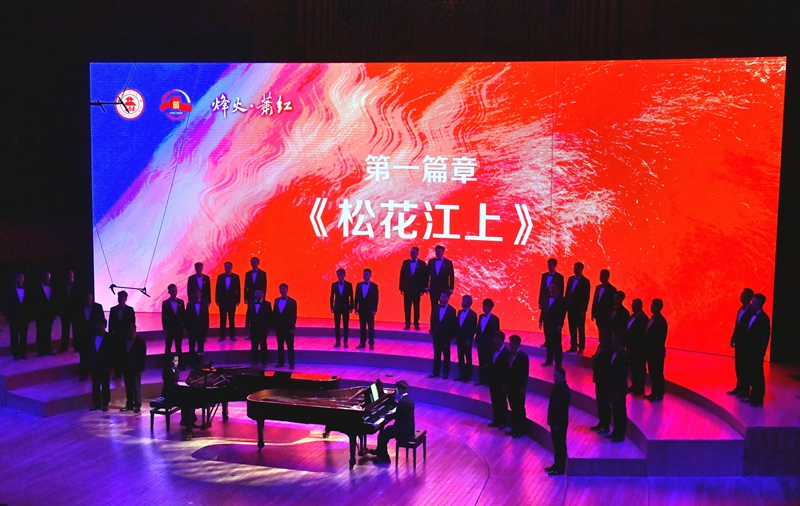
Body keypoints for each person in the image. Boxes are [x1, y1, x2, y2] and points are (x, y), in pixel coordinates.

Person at [372, 380, 415, 464]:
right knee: (386, 430)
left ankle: (384, 457)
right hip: (408, 427)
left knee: (383, 435)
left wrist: (384, 416)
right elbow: (400, 413)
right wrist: (390, 413)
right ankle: (380, 451)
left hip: (404, 430)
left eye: (396, 389)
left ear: (400, 390)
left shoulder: (402, 402)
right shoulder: (409, 400)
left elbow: (397, 415)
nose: (396, 391)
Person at [742, 293, 771, 407]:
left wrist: (761, 353)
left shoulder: (764, 318)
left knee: (757, 375)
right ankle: (752, 395)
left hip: (756, 352)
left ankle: (758, 398)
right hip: (750, 351)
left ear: (758, 303)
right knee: (751, 373)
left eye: (753, 301)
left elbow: (764, 337)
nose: (751, 303)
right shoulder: (752, 315)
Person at [727, 288, 755, 396]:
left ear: (748, 297)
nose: (741, 297)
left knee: (745, 366)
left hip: (746, 344)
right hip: (739, 343)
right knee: (738, 365)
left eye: (743, 295)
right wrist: (733, 338)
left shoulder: (751, 311)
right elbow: (737, 326)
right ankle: (739, 386)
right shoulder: (740, 310)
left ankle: (745, 389)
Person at [161, 355, 198, 432]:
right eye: (175, 361)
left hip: (174, 390)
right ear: (170, 361)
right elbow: (168, 385)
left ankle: (187, 421)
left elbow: (176, 382)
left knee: (189, 399)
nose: (176, 363)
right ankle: (188, 422)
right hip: (168, 393)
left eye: (177, 361)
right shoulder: (167, 370)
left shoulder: (175, 369)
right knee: (186, 401)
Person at [73, 292, 105, 380]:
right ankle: (84, 373)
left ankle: (95, 373)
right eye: (86, 299)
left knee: (94, 355)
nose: (88, 300)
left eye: (89, 298)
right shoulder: (79, 308)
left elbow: (102, 320)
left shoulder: (98, 307)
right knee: (83, 355)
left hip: (94, 335)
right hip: (83, 336)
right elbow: (76, 323)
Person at [546, 368, 571, 476]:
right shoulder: (558, 388)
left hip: (559, 423)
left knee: (560, 444)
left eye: (556, 376)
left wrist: (556, 423)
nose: (554, 378)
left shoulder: (563, 390)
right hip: (555, 421)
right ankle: (557, 464)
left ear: (562, 377)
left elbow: (561, 410)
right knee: (557, 444)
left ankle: (560, 467)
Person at [607, 331, 630, 442]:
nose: (612, 339)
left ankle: (620, 434)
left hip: (619, 388)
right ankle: (616, 431)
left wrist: (617, 388)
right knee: (616, 410)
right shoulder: (614, 352)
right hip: (614, 387)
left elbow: (622, 374)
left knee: (620, 411)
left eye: (614, 337)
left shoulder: (623, 355)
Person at [644, 298, 668, 402]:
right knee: (653, 373)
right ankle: (654, 392)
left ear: (657, 307)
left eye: (653, 305)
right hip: (651, 352)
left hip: (656, 353)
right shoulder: (653, 319)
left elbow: (659, 339)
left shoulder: (661, 322)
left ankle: (658, 394)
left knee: (657, 374)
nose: (651, 307)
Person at [399, 246, 429, 330]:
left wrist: (423, 288)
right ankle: (407, 323)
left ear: (417, 253)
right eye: (411, 252)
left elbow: (424, 277)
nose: (411, 254)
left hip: (417, 290)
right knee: (407, 307)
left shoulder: (422, 264)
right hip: (407, 289)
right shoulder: (405, 262)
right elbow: (402, 276)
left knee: (416, 307)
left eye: (413, 252)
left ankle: (416, 323)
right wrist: (401, 287)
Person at [590, 327, 613, 435]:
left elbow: (606, 365)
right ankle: (601, 422)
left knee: (605, 403)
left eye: (601, 335)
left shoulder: (608, 349)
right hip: (599, 379)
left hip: (605, 380)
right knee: (600, 402)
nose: (599, 337)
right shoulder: (600, 346)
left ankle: (606, 425)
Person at [429, 292, 457, 379]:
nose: (442, 298)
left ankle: (445, 373)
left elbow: (453, 324)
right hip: (437, 334)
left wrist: (452, 336)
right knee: (436, 354)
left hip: (446, 336)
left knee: (446, 355)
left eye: (444, 296)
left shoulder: (452, 310)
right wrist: (432, 331)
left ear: (448, 299)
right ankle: (435, 372)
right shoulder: (435, 307)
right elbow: (432, 320)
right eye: (441, 296)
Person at [87, 318, 113, 412]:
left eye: (101, 325)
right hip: (94, 366)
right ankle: (96, 403)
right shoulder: (91, 337)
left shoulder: (110, 337)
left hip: (105, 366)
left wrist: (110, 366)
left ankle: (105, 403)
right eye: (98, 325)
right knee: (95, 385)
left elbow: (112, 353)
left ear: (105, 326)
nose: (99, 327)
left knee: (105, 385)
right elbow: (89, 351)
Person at [625, 298, 649, 395]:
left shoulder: (643, 318)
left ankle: (640, 387)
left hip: (638, 348)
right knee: (633, 367)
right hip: (631, 347)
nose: (632, 306)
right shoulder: (632, 316)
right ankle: (635, 385)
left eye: (633, 304)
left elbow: (642, 335)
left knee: (639, 367)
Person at [108, 291, 136, 379]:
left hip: (126, 336)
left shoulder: (130, 310)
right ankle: (117, 373)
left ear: (125, 299)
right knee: (117, 355)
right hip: (116, 336)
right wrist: (110, 335)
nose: (120, 299)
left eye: (122, 298)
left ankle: (126, 372)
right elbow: (110, 324)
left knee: (126, 355)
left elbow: (132, 323)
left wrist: (131, 334)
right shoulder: (113, 309)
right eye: (119, 297)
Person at [506, 334, 530, 438]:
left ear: (518, 344)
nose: (511, 345)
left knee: (519, 408)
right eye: (510, 343)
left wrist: (522, 387)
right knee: (513, 408)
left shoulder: (523, 357)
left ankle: (521, 429)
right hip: (510, 386)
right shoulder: (509, 354)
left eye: (513, 343)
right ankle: (515, 428)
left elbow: (525, 374)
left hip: (518, 387)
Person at [564, 262, 590, 354]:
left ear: (581, 269)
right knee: (572, 327)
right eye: (574, 268)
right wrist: (565, 305)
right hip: (571, 308)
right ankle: (573, 346)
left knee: (580, 328)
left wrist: (584, 310)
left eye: (577, 268)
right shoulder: (570, 279)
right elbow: (567, 293)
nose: (575, 270)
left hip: (579, 309)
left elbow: (586, 297)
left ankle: (581, 347)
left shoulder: (586, 281)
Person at [120, 324, 146, 413]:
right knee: (128, 387)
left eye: (131, 329)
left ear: (135, 329)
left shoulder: (140, 342)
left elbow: (142, 357)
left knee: (136, 387)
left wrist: (141, 369)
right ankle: (129, 404)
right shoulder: (124, 341)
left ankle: (137, 405)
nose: (129, 331)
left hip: (136, 368)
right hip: (126, 368)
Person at [540, 283, 567, 367]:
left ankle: (558, 362)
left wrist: (560, 325)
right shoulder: (546, 298)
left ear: (557, 289)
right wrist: (540, 321)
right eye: (550, 287)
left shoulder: (561, 300)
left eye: (553, 287)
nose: (551, 289)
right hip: (547, 323)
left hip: (555, 324)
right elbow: (543, 310)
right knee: (548, 342)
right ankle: (549, 360)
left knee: (557, 343)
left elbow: (562, 314)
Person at [474, 299, 500, 386]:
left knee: (489, 362)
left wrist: (495, 344)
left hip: (489, 344)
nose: (483, 308)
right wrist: (476, 341)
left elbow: (496, 333)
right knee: (481, 362)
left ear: (490, 308)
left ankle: (488, 381)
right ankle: (482, 380)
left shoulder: (495, 319)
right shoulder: (481, 316)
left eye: (485, 306)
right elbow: (478, 329)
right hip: (481, 344)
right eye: (483, 306)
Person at [5, 273, 30, 360]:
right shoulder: (9, 291)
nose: (20, 279)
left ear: (23, 279)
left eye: (21, 278)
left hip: (24, 317)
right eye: (18, 278)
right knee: (14, 336)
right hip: (14, 318)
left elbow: (30, 304)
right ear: (15, 279)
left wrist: (29, 316)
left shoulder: (27, 289)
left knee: (23, 336)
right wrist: (8, 318)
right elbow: (6, 305)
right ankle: (15, 354)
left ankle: (23, 353)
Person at [488, 331, 510, 430]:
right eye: (494, 339)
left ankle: (503, 421)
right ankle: (496, 419)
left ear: (502, 340)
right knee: (494, 401)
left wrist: (505, 383)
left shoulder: (506, 353)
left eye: (496, 339)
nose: (494, 341)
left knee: (502, 402)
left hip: (501, 382)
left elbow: (507, 370)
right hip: (493, 381)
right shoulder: (492, 350)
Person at [273, 283, 298, 368]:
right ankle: (281, 362)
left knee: (290, 346)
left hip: (288, 328)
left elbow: (294, 315)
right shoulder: (276, 300)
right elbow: (275, 314)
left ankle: (291, 363)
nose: (282, 290)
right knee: (280, 346)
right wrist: (274, 326)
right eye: (280, 289)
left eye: (283, 289)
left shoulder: (292, 301)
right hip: (279, 327)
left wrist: (292, 327)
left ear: (287, 290)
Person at [426, 245, 455, 318]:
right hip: (433, 288)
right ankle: (433, 323)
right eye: (437, 251)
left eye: (439, 251)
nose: (438, 253)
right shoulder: (431, 261)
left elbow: (451, 276)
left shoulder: (448, 262)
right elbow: (427, 275)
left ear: (443, 252)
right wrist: (426, 286)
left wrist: (451, 288)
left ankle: (443, 323)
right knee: (433, 307)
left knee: (444, 307)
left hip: (444, 289)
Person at [215, 261, 241, 341]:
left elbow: (238, 289)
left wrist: (238, 299)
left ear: (231, 267)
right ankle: (222, 336)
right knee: (222, 319)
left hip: (232, 301)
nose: (227, 268)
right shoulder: (220, 277)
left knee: (232, 319)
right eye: (225, 267)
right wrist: (217, 299)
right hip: (222, 301)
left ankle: (232, 336)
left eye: (228, 267)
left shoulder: (236, 277)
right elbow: (217, 289)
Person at [454, 295, 478, 382]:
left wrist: (469, 340)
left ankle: (468, 376)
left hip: (467, 340)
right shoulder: (459, 312)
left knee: (468, 357)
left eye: (463, 301)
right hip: (460, 339)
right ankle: (461, 374)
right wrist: (456, 337)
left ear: (468, 303)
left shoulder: (473, 314)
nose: (462, 302)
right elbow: (457, 326)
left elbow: (472, 328)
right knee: (460, 357)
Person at [56, 269, 80, 353]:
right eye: (68, 274)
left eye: (70, 274)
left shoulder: (78, 285)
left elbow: (80, 299)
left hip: (75, 311)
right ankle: (64, 347)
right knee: (65, 330)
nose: (69, 276)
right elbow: (59, 299)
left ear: (73, 275)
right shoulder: (62, 285)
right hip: (65, 311)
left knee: (76, 330)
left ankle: (76, 346)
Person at [161, 284, 186, 364]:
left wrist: (184, 327)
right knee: (168, 346)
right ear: (169, 292)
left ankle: (180, 364)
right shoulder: (165, 303)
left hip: (179, 328)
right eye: (173, 291)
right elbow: (163, 317)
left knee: (178, 347)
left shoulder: (181, 302)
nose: (175, 292)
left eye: (175, 291)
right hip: (170, 328)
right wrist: (165, 328)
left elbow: (183, 315)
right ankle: (167, 364)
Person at [354, 269, 379, 350]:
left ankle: (371, 343)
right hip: (362, 309)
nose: (365, 276)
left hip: (370, 310)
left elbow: (376, 299)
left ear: (370, 276)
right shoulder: (359, 285)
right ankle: (362, 342)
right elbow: (356, 297)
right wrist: (356, 307)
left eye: (367, 275)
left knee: (371, 328)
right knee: (362, 327)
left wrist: (374, 310)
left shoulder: (374, 286)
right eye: (364, 274)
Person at [33, 270, 56, 356]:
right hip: (40, 315)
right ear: (42, 277)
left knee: (48, 332)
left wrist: (53, 313)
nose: (47, 278)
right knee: (40, 332)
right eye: (46, 276)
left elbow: (54, 301)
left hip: (49, 315)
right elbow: (33, 302)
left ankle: (48, 349)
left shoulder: (52, 287)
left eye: (48, 276)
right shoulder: (36, 288)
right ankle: (41, 350)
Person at [247, 289, 272, 366]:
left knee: (263, 345)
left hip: (263, 328)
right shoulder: (251, 303)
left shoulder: (267, 304)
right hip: (254, 328)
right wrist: (247, 326)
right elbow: (248, 315)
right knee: (254, 345)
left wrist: (268, 327)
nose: (257, 295)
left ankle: (264, 361)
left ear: (262, 294)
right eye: (256, 293)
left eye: (259, 293)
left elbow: (270, 316)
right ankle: (254, 361)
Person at [185, 288, 209, 367]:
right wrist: (187, 328)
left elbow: (206, 317)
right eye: (195, 293)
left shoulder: (204, 304)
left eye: (198, 293)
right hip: (192, 329)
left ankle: (200, 362)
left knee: (200, 346)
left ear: (201, 294)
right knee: (192, 346)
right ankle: (192, 362)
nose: (197, 294)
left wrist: (206, 328)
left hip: (201, 329)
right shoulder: (189, 304)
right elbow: (187, 317)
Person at [330, 268, 354, 348]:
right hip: (337, 307)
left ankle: (345, 341)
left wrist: (351, 307)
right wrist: (331, 306)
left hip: (345, 307)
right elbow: (332, 296)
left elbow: (351, 296)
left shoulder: (349, 285)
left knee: (346, 325)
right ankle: (337, 341)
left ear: (344, 275)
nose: (339, 276)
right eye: (338, 275)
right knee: (337, 325)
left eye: (340, 275)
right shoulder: (334, 285)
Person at [591, 269, 616, 335]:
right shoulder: (598, 287)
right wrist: (593, 313)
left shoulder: (612, 289)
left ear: (607, 277)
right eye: (600, 276)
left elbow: (612, 303)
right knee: (600, 331)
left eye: (602, 276)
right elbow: (595, 300)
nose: (600, 277)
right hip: (598, 314)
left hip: (606, 315)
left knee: (606, 332)